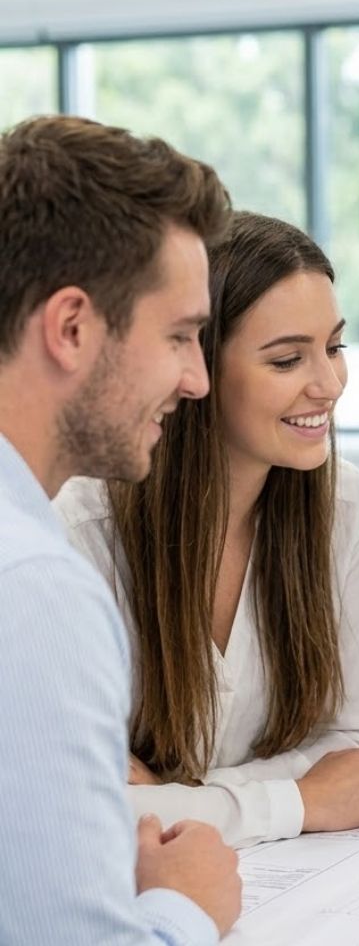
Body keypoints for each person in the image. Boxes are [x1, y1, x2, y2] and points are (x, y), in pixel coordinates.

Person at [54, 211, 359, 850]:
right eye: (288, 359)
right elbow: (67, 809)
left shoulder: (342, 502)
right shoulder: (79, 529)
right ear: (197, 369)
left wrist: (171, 796)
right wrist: (297, 799)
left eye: (335, 347)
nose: (328, 384)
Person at [0, 113, 241, 943]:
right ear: (72, 328)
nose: (198, 380)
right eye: (178, 336)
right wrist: (186, 904)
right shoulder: (32, 591)